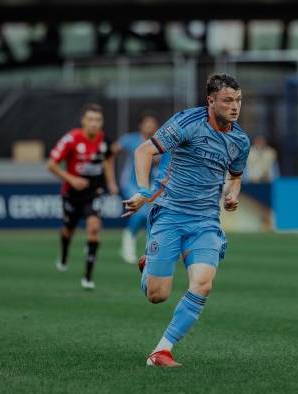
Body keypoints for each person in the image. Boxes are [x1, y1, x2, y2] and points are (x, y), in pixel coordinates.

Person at [122, 73, 250, 367]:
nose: (234, 106)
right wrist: (143, 191)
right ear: (211, 100)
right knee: (157, 295)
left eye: (238, 100)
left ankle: (161, 351)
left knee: (203, 283)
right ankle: (147, 267)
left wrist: (232, 194)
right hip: (169, 214)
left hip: (205, 221)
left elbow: (236, 176)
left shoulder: (240, 140)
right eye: (228, 100)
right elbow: (144, 151)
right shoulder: (187, 123)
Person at [47, 103, 118, 290]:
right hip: (71, 194)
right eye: (91, 119)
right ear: (83, 121)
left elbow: (109, 159)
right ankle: (63, 253)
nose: (95, 123)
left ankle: (88, 276)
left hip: (94, 193)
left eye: (98, 120)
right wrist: (71, 179)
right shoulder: (71, 138)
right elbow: (51, 165)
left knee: (94, 228)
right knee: (68, 230)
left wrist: (111, 182)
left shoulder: (105, 141)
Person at [112, 112, 162, 263]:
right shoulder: (131, 139)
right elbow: (111, 151)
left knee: (152, 215)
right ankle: (128, 244)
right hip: (130, 183)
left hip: (151, 184)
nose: (150, 126)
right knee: (141, 213)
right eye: (147, 123)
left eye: (153, 123)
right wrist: (108, 176)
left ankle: (152, 249)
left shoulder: (161, 142)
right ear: (141, 126)